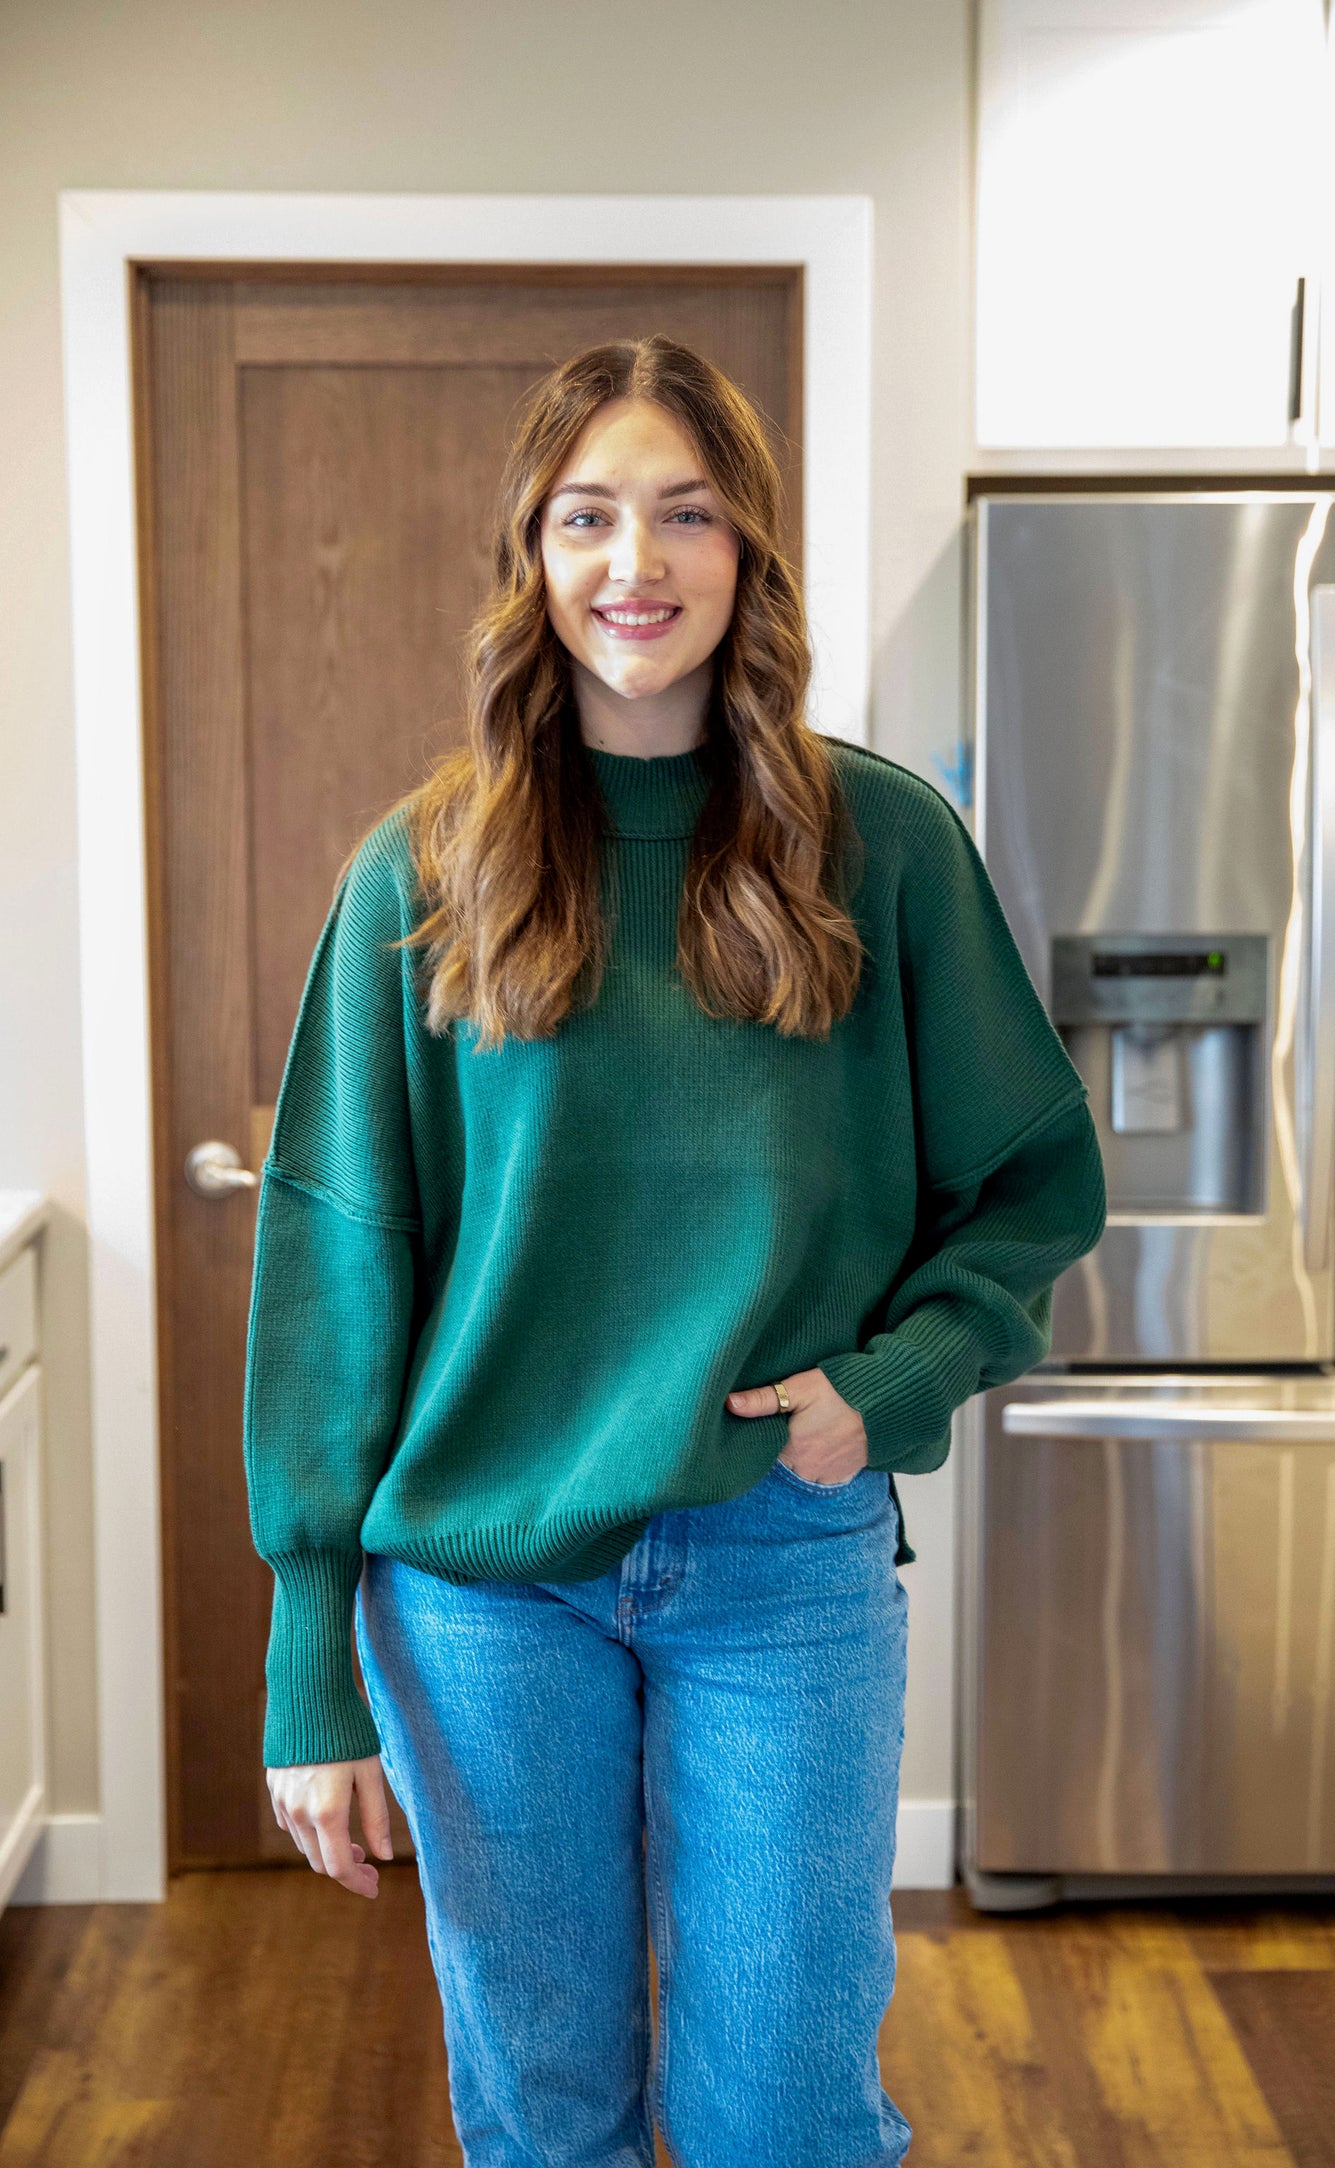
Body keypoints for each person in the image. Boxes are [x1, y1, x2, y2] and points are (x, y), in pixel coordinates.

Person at [243, 334, 1107, 2168]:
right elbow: (334, 1266)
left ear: (747, 554)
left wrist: (884, 1391)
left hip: (777, 1563)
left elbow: (1032, 1181)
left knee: (782, 2112)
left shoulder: (874, 842)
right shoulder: (425, 872)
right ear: (531, 558)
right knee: (544, 2111)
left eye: (686, 515)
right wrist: (310, 1648)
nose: (635, 563)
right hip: (483, 1590)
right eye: (587, 518)